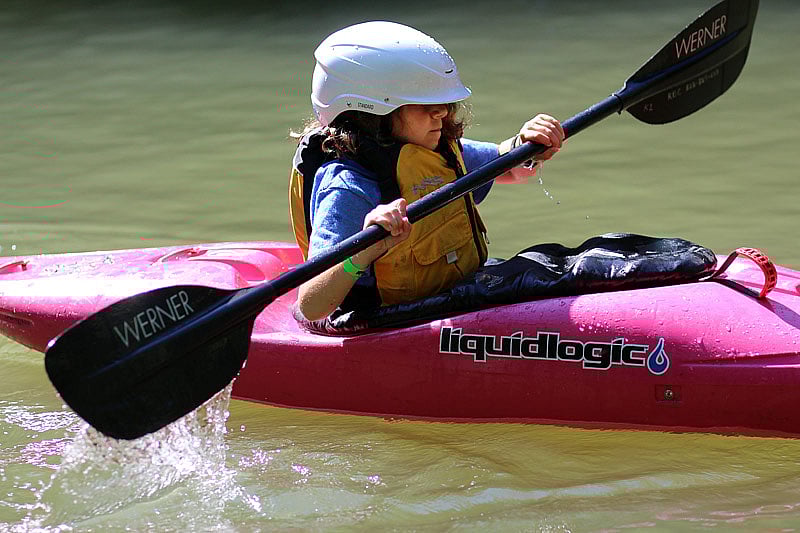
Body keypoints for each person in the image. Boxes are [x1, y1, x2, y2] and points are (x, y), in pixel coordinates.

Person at [289, 21, 565, 322]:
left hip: (449, 298)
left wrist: (527, 147)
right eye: (425, 105)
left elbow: (509, 170)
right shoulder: (348, 186)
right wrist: (365, 250)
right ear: (371, 114)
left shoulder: (437, 150)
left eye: (443, 102)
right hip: (386, 322)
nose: (443, 113)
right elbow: (312, 305)